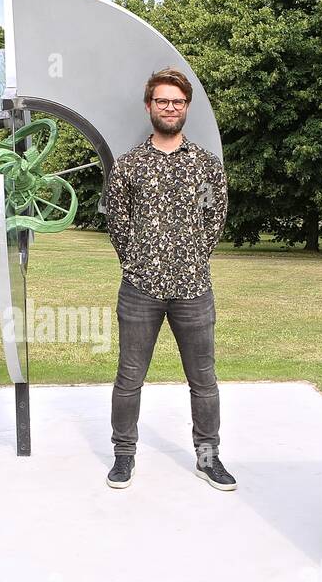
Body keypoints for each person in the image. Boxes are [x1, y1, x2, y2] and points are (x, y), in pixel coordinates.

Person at [101, 67, 235, 492]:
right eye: (162, 100)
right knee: (129, 377)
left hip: (194, 289)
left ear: (187, 107)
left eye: (177, 101)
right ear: (149, 107)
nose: (170, 107)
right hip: (140, 289)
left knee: (204, 379)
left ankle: (208, 457)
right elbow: (118, 223)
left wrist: (191, 257)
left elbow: (216, 218)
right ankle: (124, 456)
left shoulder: (206, 167)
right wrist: (140, 262)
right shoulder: (128, 167)